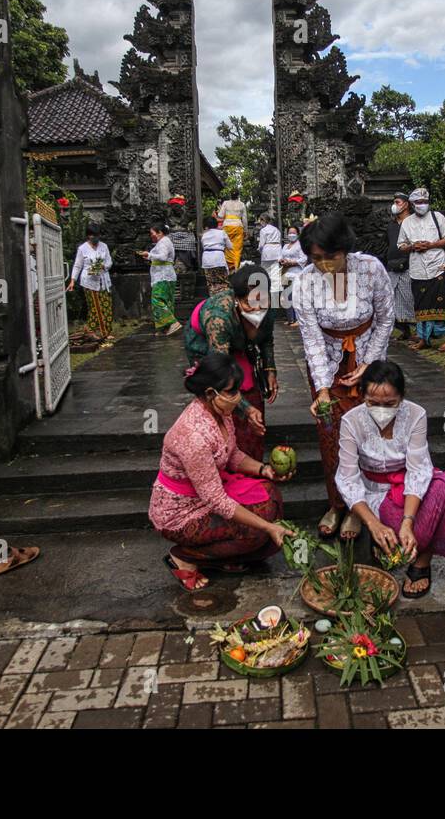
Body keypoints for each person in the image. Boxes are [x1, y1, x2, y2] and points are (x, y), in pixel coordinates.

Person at [150, 353, 295, 590]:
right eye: (231, 391)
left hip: (206, 493)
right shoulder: (193, 436)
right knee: (257, 531)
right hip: (181, 512)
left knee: (271, 496)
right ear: (210, 393)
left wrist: (264, 469)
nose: (238, 397)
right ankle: (184, 557)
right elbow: (217, 501)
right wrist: (268, 527)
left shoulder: (221, 413)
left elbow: (232, 454)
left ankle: (226, 555)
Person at [335, 360, 445, 598]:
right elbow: (347, 478)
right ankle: (385, 538)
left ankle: (422, 562)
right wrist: (373, 523)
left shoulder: (415, 415)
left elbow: (418, 470)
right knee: (403, 531)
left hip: (409, 487)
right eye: (373, 403)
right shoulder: (351, 421)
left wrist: (408, 521)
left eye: (390, 403)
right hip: (375, 493)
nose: (381, 410)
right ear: (361, 396)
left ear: (401, 397)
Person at [293, 212, 393, 540]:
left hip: (368, 359)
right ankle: (336, 503)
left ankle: (358, 508)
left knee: (366, 436)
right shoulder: (304, 281)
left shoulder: (371, 269)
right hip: (328, 366)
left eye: (331, 256)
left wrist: (368, 364)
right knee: (331, 438)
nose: (324, 265)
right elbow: (311, 338)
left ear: (345, 249)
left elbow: (385, 318)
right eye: (316, 258)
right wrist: (322, 388)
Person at [184, 265, 276, 460]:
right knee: (221, 393)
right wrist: (247, 409)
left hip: (239, 341)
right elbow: (220, 369)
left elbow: (266, 338)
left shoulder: (268, 306)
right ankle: (225, 451)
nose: (257, 308)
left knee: (251, 386)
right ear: (237, 300)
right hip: (207, 346)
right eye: (249, 303)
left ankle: (253, 455)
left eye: (261, 301)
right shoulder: (218, 317)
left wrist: (270, 369)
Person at [398, 187, 445, 352]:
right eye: (418, 202)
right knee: (421, 304)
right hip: (417, 269)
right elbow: (401, 245)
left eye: (425, 201)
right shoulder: (407, 222)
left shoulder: (438, 217)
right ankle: (424, 338)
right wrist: (413, 246)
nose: (422, 204)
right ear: (412, 204)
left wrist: (431, 245)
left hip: (437, 266)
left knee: (443, 302)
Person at [66, 224, 114, 345]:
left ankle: (106, 332)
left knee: (106, 306)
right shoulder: (82, 249)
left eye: (97, 236)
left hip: (103, 280)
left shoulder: (104, 246)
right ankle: (91, 331)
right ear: (88, 236)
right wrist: (72, 280)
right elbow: (78, 265)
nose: (95, 239)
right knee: (95, 307)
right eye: (93, 236)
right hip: (89, 281)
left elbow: (109, 261)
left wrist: (103, 266)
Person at [138, 222, 182, 336]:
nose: (151, 235)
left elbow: (162, 257)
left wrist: (149, 255)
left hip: (163, 276)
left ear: (160, 232)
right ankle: (165, 328)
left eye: (152, 233)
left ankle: (172, 323)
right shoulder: (163, 242)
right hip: (166, 275)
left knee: (157, 300)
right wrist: (149, 256)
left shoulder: (163, 242)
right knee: (167, 301)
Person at [384, 191, 416, 341]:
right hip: (392, 266)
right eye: (394, 202)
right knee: (391, 299)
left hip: (409, 265)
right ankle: (404, 330)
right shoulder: (391, 225)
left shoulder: (413, 222)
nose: (394, 205)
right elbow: (388, 243)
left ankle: (416, 330)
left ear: (406, 205)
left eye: (397, 202)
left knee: (408, 298)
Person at [279, 224, 306, 326]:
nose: (291, 235)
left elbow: (303, 259)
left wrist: (291, 262)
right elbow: (280, 256)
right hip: (286, 272)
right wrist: (281, 261)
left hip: (296, 273)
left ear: (298, 234)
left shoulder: (300, 246)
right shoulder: (285, 246)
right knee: (286, 296)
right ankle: (290, 319)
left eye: (294, 233)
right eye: (290, 233)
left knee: (295, 296)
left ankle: (298, 319)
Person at [200, 216, 232, 295]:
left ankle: (213, 298)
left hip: (207, 260)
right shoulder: (222, 232)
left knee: (211, 283)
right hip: (218, 259)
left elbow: (203, 246)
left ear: (205, 225)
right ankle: (224, 297)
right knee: (223, 281)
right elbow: (230, 246)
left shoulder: (204, 235)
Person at [217, 192, 247, 270]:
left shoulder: (225, 203)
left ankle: (229, 268)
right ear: (238, 196)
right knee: (237, 249)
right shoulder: (242, 204)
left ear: (230, 196)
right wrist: (246, 231)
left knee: (227, 248)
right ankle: (236, 267)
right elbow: (244, 219)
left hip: (227, 226)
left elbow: (220, 215)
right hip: (238, 226)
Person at [257, 213, 283, 302]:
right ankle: (276, 294)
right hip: (277, 251)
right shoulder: (276, 230)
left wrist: (260, 250)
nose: (260, 223)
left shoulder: (263, 230)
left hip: (267, 251)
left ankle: (266, 292)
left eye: (260, 221)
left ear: (263, 220)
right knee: (275, 272)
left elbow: (261, 244)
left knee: (265, 272)